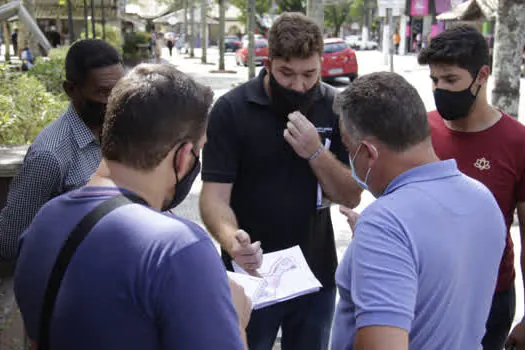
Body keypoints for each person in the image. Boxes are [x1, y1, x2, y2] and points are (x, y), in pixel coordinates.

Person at [14, 63, 251, 350]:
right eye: (198, 150)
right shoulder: (177, 248)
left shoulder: (45, 221)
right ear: (183, 156)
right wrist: (236, 317)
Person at [199, 12, 361, 350]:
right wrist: (232, 242)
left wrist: (315, 153)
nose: (300, 86)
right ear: (268, 63)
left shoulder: (335, 105)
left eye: (310, 75)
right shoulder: (232, 109)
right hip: (249, 273)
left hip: (315, 271)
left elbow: (350, 195)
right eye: (287, 74)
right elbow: (214, 197)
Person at [331, 71, 506, 350]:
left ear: (367, 153)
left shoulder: (385, 223)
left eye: (347, 147)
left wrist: (378, 240)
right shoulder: (482, 199)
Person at [418, 25, 525, 350]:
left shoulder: (517, 142)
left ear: (482, 75)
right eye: (434, 80)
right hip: (425, 294)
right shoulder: (420, 128)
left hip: (489, 298)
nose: (440, 89)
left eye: (450, 80)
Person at [0, 39, 124, 261]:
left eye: (119, 90)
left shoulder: (119, 132)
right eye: (103, 92)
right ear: (71, 90)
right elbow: (10, 241)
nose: (114, 100)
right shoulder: (50, 156)